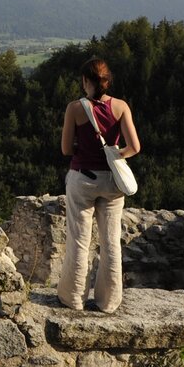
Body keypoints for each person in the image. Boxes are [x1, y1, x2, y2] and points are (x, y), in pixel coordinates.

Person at [56, 57, 141, 313]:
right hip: (112, 182)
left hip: (82, 178)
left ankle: (73, 298)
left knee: (80, 240)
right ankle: (109, 301)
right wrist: (114, 155)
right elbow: (134, 147)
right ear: (108, 81)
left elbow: (64, 149)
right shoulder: (121, 106)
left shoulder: (75, 108)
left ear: (85, 82)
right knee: (111, 241)